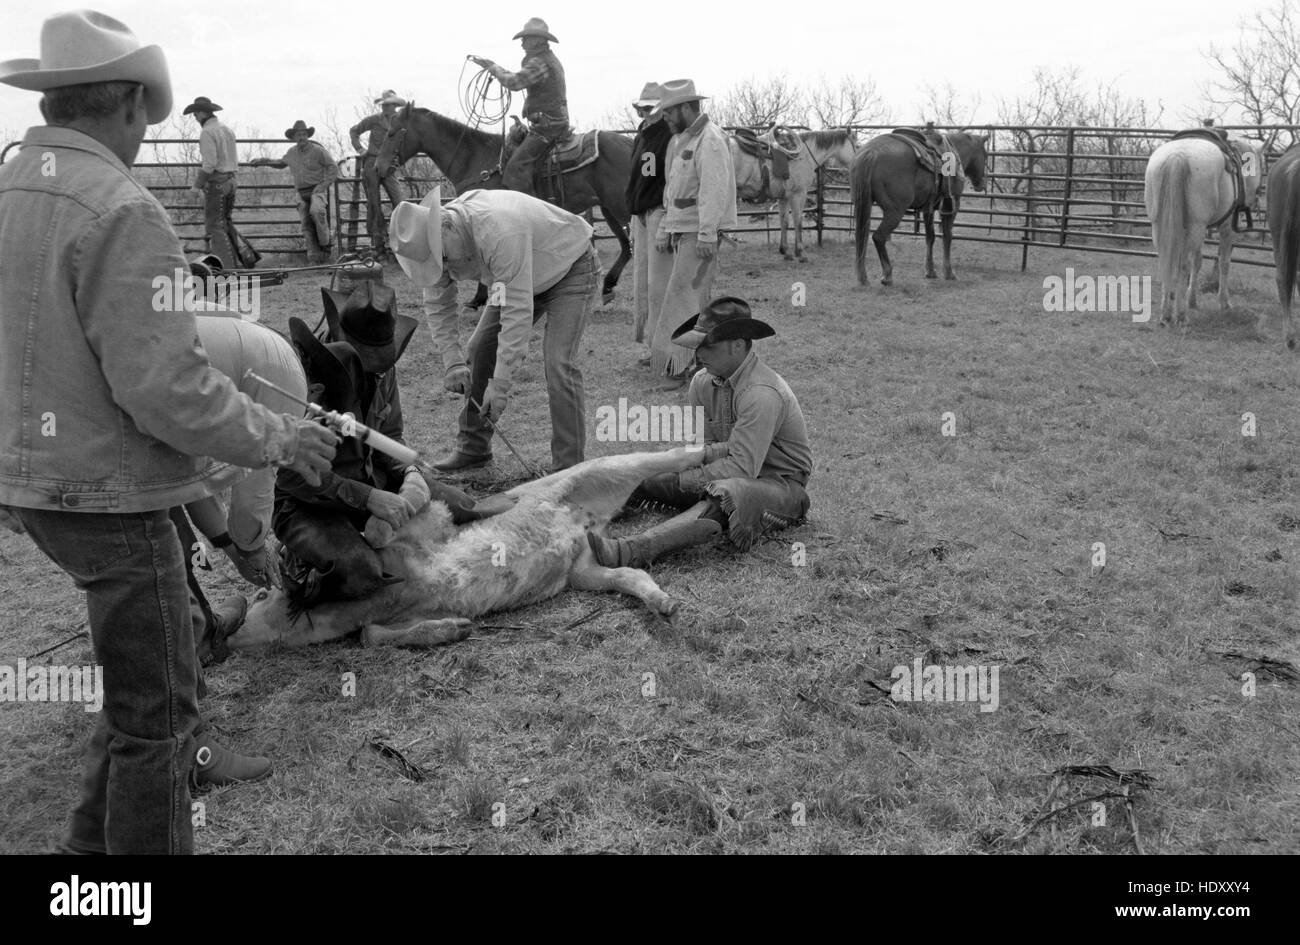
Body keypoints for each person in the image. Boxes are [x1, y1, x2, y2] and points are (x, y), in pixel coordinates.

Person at [0, 10, 337, 855]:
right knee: (161, 721)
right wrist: (279, 439)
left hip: (35, 480)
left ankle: (86, 869)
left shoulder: (11, 191)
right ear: (132, 109)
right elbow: (165, 388)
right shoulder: (122, 210)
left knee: (132, 699)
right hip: (108, 491)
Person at [273, 282, 513, 608]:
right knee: (360, 573)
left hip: (376, 484)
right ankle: (296, 563)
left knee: (466, 507)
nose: (378, 371)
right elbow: (293, 478)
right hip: (314, 503)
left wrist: (410, 472)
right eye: (369, 361)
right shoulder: (306, 382)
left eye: (382, 360)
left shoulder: (383, 372)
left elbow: (392, 438)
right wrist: (368, 498)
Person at [588, 297, 811, 566]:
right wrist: (670, 472)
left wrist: (684, 478)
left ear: (738, 345)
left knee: (726, 492)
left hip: (782, 488)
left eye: (708, 346)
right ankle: (587, 512)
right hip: (728, 473)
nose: (698, 355)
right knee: (647, 473)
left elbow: (741, 469)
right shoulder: (702, 382)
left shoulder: (761, 393)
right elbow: (702, 448)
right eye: (697, 346)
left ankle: (633, 551)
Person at [391, 188, 600, 473]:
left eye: (444, 260)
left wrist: (499, 386)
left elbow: (517, 315)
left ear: (447, 226)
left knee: (558, 362)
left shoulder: (499, 232)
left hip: (569, 269)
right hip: (510, 279)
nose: (444, 270)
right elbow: (439, 303)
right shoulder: (433, 239)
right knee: (480, 348)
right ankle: (473, 449)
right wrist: (452, 361)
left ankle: (569, 468)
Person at [649, 79, 737, 382]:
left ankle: (681, 363)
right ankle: (697, 361)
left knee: (683, 297)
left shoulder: (710, 139)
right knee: (690, 298)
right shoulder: (682, 140)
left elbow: (714, 189)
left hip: (697, 232)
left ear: (687, 107)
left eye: (670, 111)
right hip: (683, 230)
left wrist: (707, 234)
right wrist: (665, 224)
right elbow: (673, 188)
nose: (666, 118)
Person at [469, 17, 568, 198]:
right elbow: (516, 78)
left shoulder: (540, 62)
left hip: (548, 126)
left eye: (526, 38)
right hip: (549, 122)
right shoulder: (545, 60)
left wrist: (492, 67)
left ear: (538, 39)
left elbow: (514, 82)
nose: (522, 43)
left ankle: (533, 213)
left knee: (515, 170)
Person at [625, 81, 671, 364]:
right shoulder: (642, 136)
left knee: (660, 284)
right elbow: (638, 178)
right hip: (642, 214)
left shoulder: (669, 137)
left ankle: (666, 346)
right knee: (644, 283)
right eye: (641, 108)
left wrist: (666, 219)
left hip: (657, 212)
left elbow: (671, 181)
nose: (644, 113)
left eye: (649, 108)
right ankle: (654, 344)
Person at [250, 120, 337, 263]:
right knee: (306, 223)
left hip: (317, 190)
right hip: (301, 192)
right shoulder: (291, 152)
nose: (301, 137)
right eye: (298, 135)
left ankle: (326, 246)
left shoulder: (318, 150)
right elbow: (281, 163)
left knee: (317, 212)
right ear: (294, 137)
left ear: (307, 136)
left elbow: (333, 167)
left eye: (303, 134)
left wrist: (323, 186)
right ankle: (313, 256)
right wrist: (264, 160)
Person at [349, 90, 407, 256]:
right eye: (384, 104)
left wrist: (398, 161)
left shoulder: (401, 122)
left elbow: (405, 143)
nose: (385, 107)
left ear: (395, 105)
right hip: (372, 163)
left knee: (399, 201)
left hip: (390, 166)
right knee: (374, 203)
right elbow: (354, 131)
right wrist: (360, 149)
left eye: (388, 104)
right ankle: (378, 245)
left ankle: (401, 243)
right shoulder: (374, 120)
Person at [183, 95, 238, 268]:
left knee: (215, 226)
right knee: (226, 222)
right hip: (231, 180)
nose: (195, 118)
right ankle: (238, 262)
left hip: (218, 184)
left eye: (195, 114)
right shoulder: (226, 129)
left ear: (201, 113)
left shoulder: (207, 132)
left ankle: (228, 269)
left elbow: (209, 164)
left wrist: (195, 187)